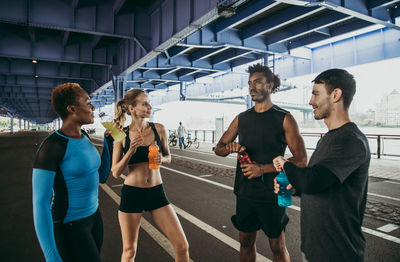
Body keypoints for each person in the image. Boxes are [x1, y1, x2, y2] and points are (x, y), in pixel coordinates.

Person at [273, 68, 371, 262]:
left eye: (316, 93)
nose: (310, 102)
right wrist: (295, 187)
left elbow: (312, 181)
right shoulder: (329, 139)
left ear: (335, 95)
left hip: (337, 253)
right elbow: (322, 183)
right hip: (315, 249)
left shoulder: (351, 140)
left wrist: (285, 164)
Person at [214, 63, 307, 262]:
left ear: (270, 85)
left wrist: (262, 169)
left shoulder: (285, 118)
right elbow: (219, 148)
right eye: (249, 83)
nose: (252, 87)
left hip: (275, 192)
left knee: (277, 245)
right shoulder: (242, 118)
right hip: (245, 191)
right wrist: (229, 148)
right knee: (245, 241)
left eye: (258, 82)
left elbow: (301, 159)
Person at [32, 83, 113, 262]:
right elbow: (40, 203)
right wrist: (51, 255)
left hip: (94, 219)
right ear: (72, 108)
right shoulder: (52, 146)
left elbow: (101, 176)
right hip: (70, 226)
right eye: (88, 102)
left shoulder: (85, 136)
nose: (93, 108)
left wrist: (109, 143)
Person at [111, 89, 189, 262]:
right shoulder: (120, 134)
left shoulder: (159, 129)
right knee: (129, 251)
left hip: (156, 192)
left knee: (182, 247)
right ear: (131, 108)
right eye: (144, 104)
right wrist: (130, 151)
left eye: (149, 103)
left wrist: (164, 159)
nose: (149, 107)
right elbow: (115, 172)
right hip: (133, 193)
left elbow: (169, 156)